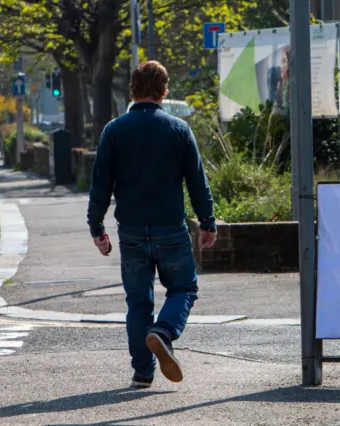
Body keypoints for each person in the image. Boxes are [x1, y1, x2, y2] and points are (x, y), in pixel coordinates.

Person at [87, 60, 217, 389]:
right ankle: (163, 331)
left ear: (133, 88)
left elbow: (100, 184)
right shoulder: (177, 129)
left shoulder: (114, 130)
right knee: (184, 288)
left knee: (138, 302)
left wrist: (96, 228)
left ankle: (142, 372)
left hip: (130, 230)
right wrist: (207, 222)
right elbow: (197, 182)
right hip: (170, 228)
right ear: (164, 90)